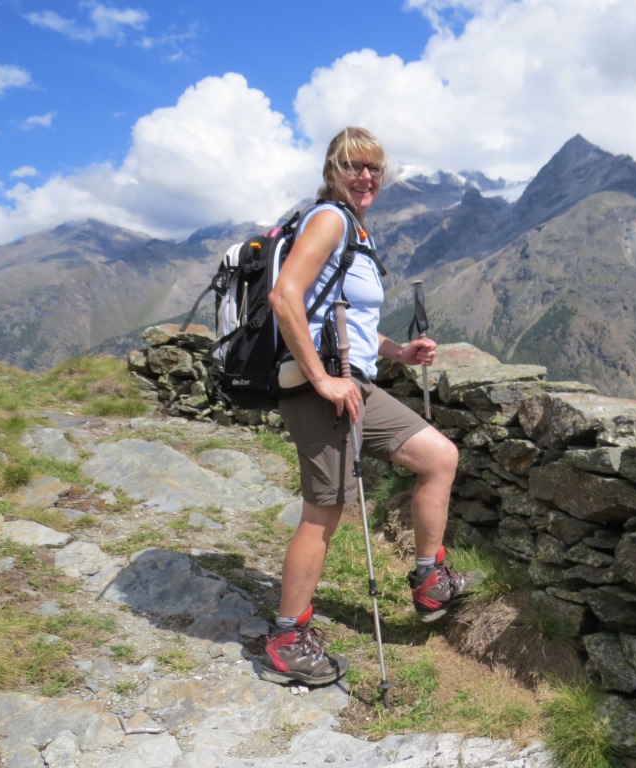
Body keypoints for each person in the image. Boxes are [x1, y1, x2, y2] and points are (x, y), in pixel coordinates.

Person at [259, 127, 467, 686]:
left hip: (356, 384)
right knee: (324, 512)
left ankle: (429, 580)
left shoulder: (354, 229)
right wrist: (322, 379)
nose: (366, 176)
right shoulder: (330, 219)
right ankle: (286, 640)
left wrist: (397, 351)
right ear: (332, 171)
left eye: (374, 166)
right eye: (353, 166)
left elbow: (340, 317)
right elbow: (284, 297)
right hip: (320, 390)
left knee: (439, 457)